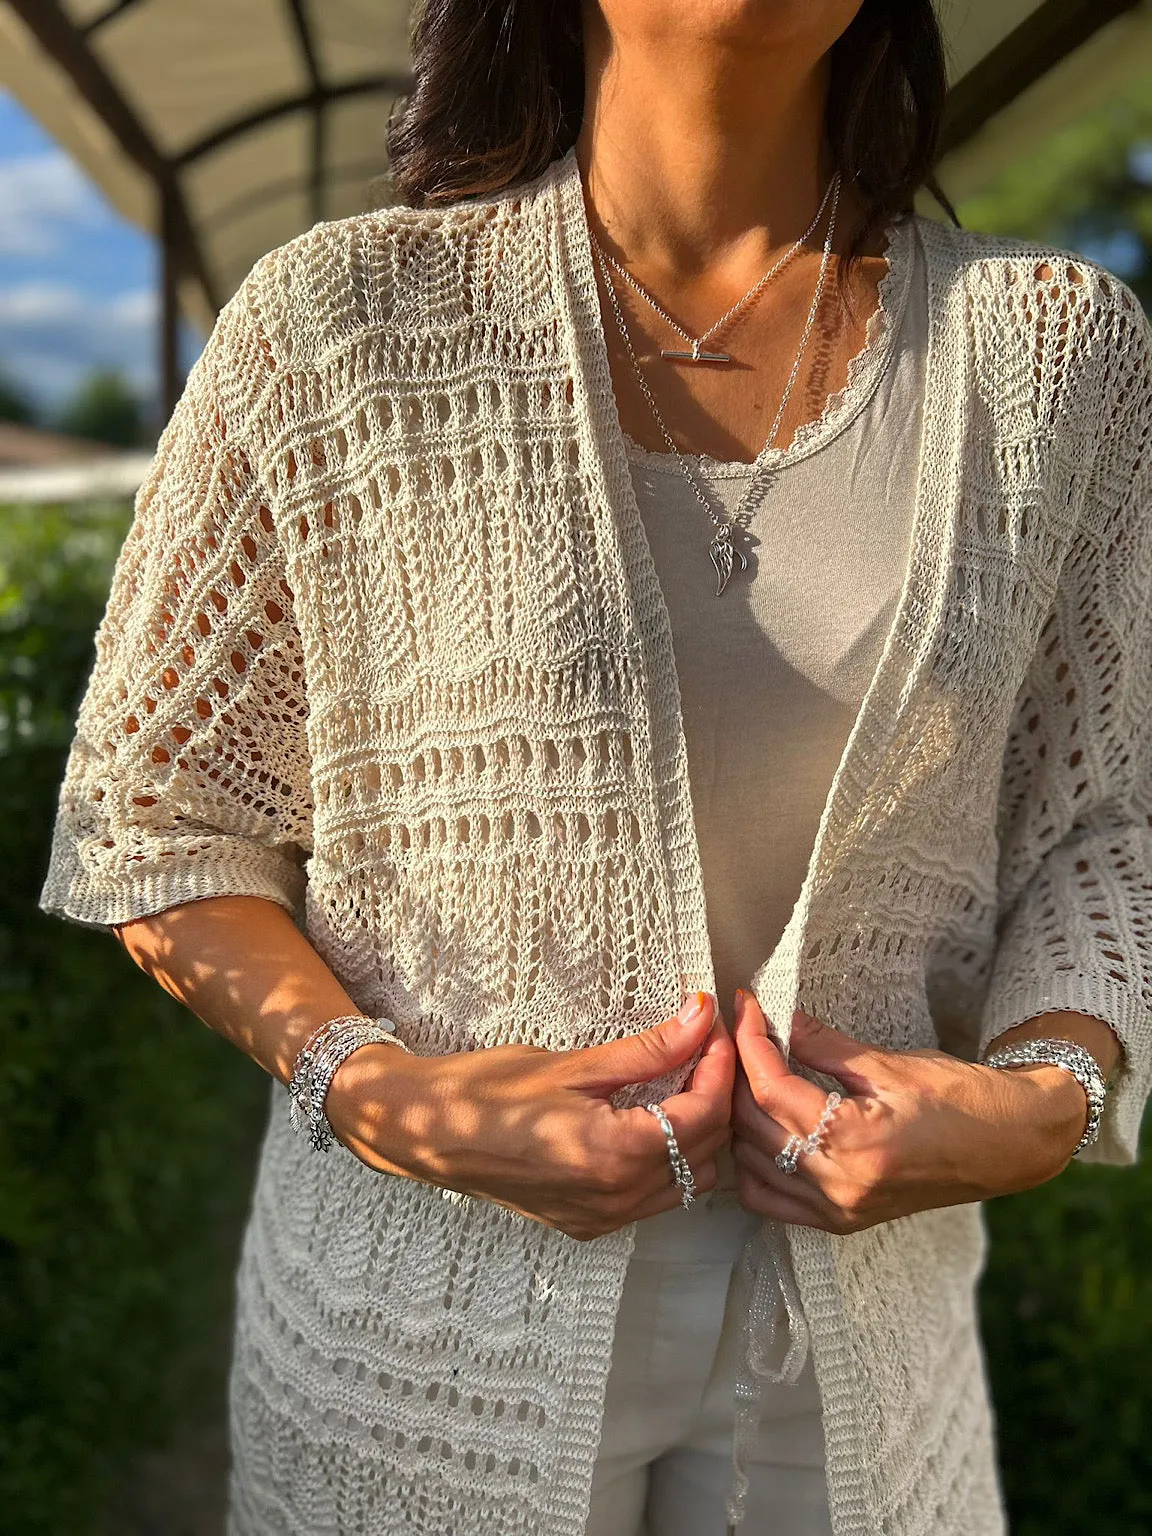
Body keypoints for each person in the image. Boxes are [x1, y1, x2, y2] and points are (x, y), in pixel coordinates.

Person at [37, 2, 1151, 1534]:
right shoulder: (337, 329)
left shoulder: (1055, 358)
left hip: (862, 1350)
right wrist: (372, 1090)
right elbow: (154, 817)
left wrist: (1048, 1100)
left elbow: (1109, 816)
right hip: (414, 1342)